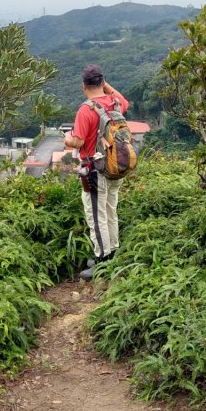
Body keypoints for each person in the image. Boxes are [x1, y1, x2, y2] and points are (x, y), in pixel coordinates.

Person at [64, 64, 129, 280]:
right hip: (116, 165)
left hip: (95, 169)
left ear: (83, 85)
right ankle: (112, 252)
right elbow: (123, 100)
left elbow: (78, 141)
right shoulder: (115, 102)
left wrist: (67, 138)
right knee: (111, 210)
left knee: (96, 215)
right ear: (103, 82)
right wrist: (105, 85)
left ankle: (102, 260)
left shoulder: (86, 109)